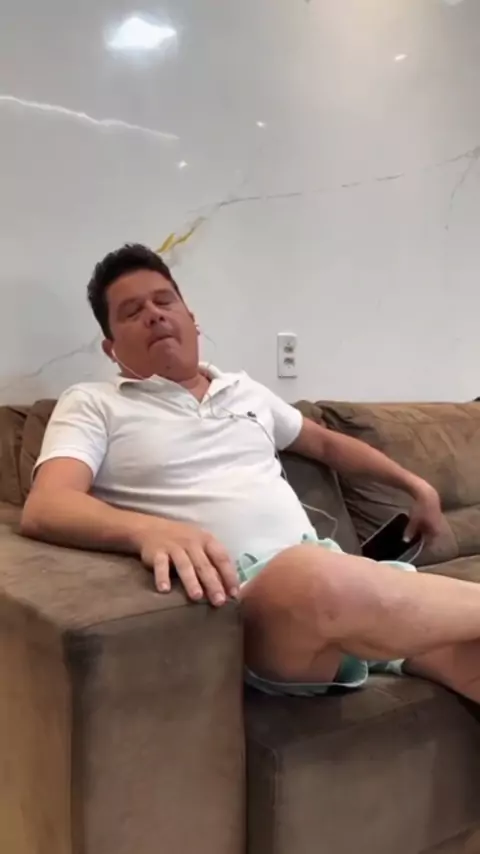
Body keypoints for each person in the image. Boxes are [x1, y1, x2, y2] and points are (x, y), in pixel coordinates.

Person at [21, 244, 480, 701]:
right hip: (254, 606)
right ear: (111, 347)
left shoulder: (246, 391)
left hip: (345, 591)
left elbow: (326, 443)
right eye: (132, 311)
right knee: (309, 575)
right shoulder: (93, 403)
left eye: (164, 301)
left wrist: (416, 485)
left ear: (191, 319)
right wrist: (148, 531)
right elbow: (48, 504)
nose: (155, 315)